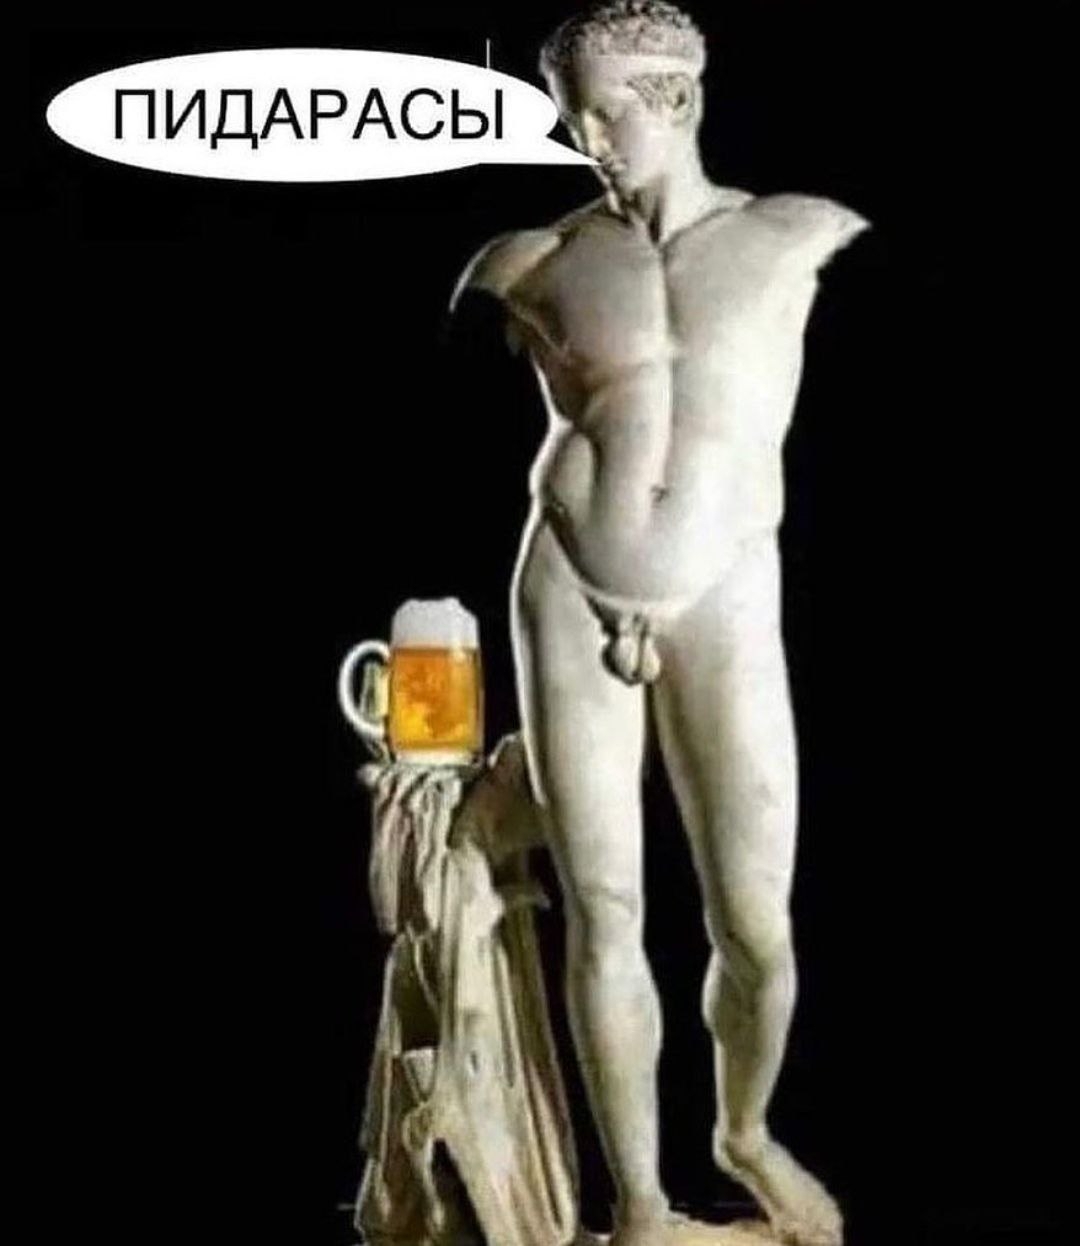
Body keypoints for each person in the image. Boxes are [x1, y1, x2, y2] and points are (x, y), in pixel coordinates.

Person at [450, 4, 869, 1242]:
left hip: (723, 584)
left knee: (756, 924)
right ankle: (637, 1201)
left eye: (606, 111)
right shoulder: (529, 260)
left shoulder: (794, 234)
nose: (586, 137)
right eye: (570, 114)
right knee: (603, 903)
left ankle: (744, 1131)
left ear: (677, 100)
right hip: (570, 582)